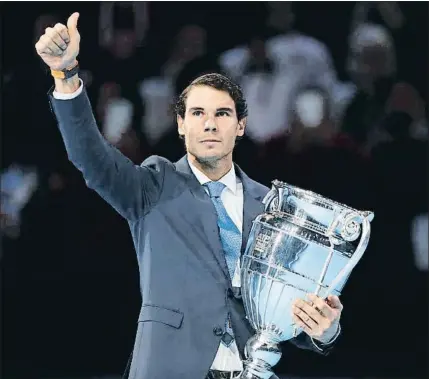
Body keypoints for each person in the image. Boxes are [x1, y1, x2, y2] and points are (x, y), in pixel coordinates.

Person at [35, 13, 343, 379]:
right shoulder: (152, 186)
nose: (210, 124)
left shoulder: (273, 208)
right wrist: (66, 75)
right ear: (180, 124)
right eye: (197, 113)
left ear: (240, 126)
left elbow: (291, 314)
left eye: (222, 113)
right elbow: (90, 156)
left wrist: (326, 330)